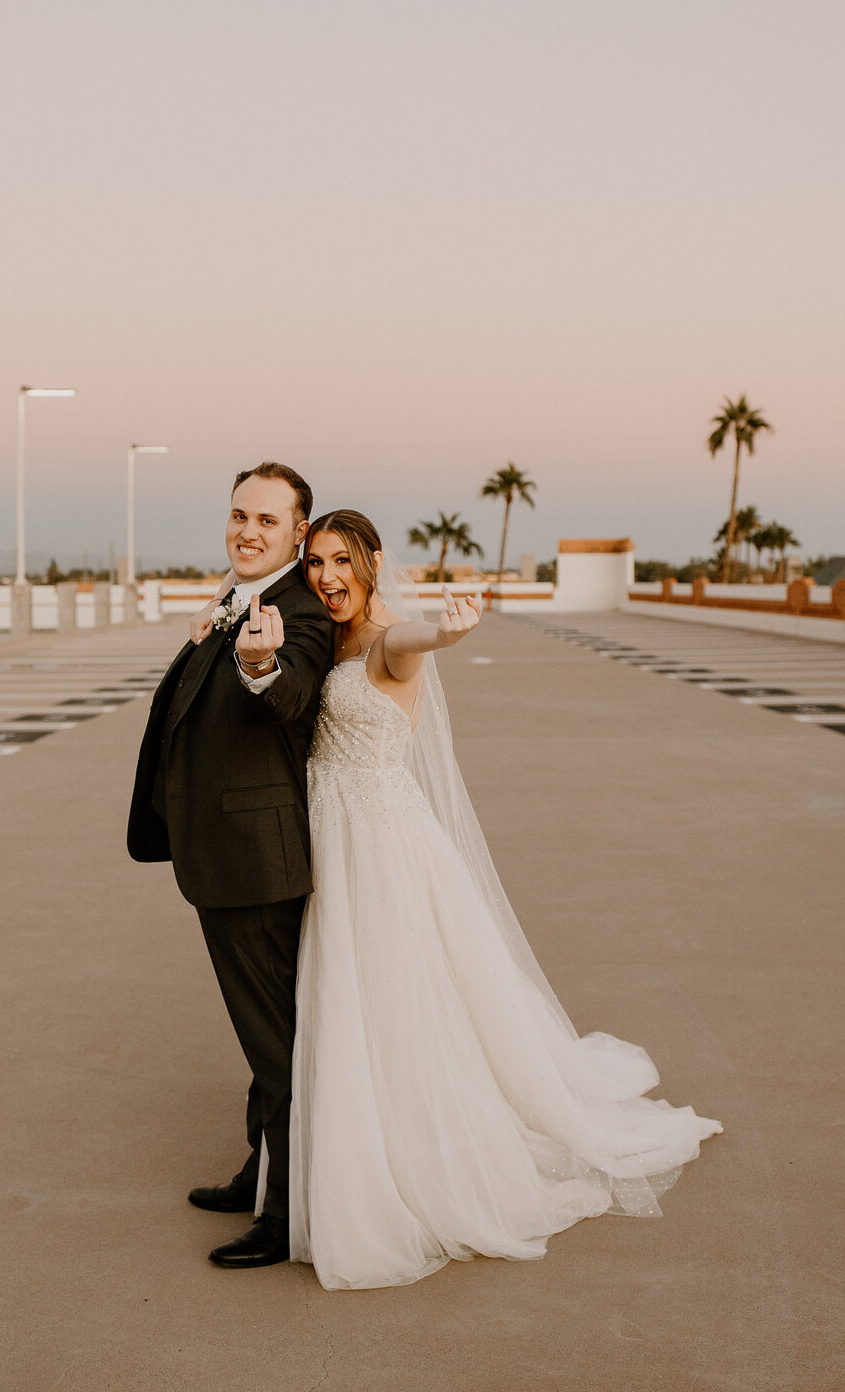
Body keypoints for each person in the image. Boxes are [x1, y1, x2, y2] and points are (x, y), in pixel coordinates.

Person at [289, 509, 722, 1290]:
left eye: (342, 561)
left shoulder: (389, 636)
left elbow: (416, 642)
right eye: (317, 561)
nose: (328, 576)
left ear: (373, 563)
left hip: (379, 841)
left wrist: (449, 632)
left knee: (398, 992)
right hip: (336, 833)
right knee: (350, 990)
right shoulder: (327, 632)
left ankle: (412, 1150)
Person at [127, 462, 335, 1269]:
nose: (248, 530)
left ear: (299, 535)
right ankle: (262, 1172)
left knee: (277, 1040)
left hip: (257, 862)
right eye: (240, 514)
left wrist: (257, 667)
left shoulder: (299, 614)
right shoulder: (236, 595)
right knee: (263, 1034)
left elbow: (292, 690)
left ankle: (286, 1215)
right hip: (227, 854)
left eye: (267, 521)